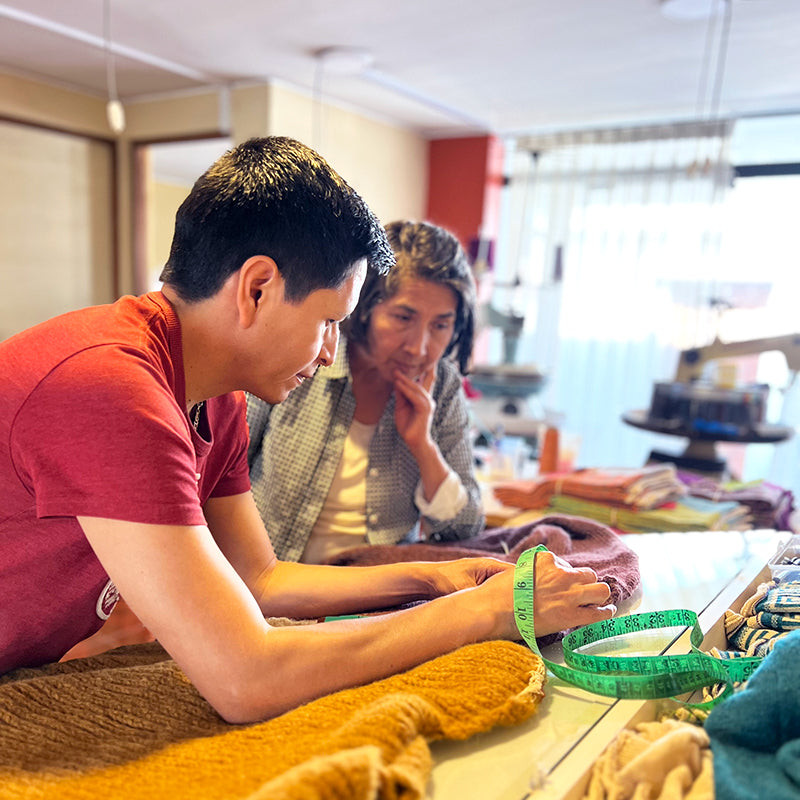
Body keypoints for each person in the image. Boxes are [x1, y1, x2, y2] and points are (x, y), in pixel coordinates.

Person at [0, 136, 615, 724]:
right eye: (328, 321)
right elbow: (245, 677)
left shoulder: (216, 397)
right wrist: (483, 612)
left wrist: (434, 576)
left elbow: (260, 578)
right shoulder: (109, 385)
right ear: (257, 288)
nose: (329, 352)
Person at [247, 220, 484, 563]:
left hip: (379, 597)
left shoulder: (443, 387)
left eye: (441, 325)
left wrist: (423, 445)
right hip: (273, 584)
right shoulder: (305, 355)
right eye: (404, 318)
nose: (419, 348)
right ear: (365, 306)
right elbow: (219, 473)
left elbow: (465, 529)